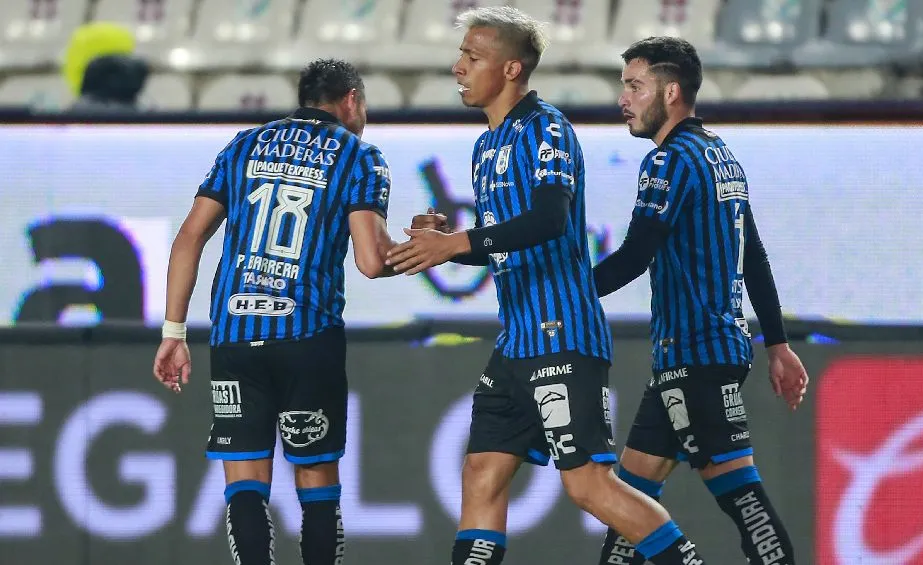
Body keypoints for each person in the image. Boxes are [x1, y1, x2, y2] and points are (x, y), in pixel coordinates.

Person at [389, 7, 707, 565]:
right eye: (461, 55)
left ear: (511, 68)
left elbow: (550, 220)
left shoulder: (545, 127)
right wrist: (448, 242)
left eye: (472, 57)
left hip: (562, 335)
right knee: (481, 473)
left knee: (588, 486)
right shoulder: (486, 146)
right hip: (517, 342)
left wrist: (459, 243)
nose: (457, 66)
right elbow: (511, 247)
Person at [152, 59, 398, 565]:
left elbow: (188, 240)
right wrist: (424, 248)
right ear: (351, 100)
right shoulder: (359, 156)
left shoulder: (243, 146)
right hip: (308, 335)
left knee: (243, 479)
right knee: (316, 478)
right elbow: (372, 263)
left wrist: (174, 332)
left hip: (236, 333)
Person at [591, 36, 809, 565]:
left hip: (695, 355)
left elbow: (634, 257)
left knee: (741, 496)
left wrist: (559, 296)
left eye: (634, 86)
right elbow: (752, 256)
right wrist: (777, 344)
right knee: (630, 502)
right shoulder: (721, 155)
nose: (623, 98)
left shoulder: (667, 162)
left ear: (669, 92)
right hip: (704, 353)